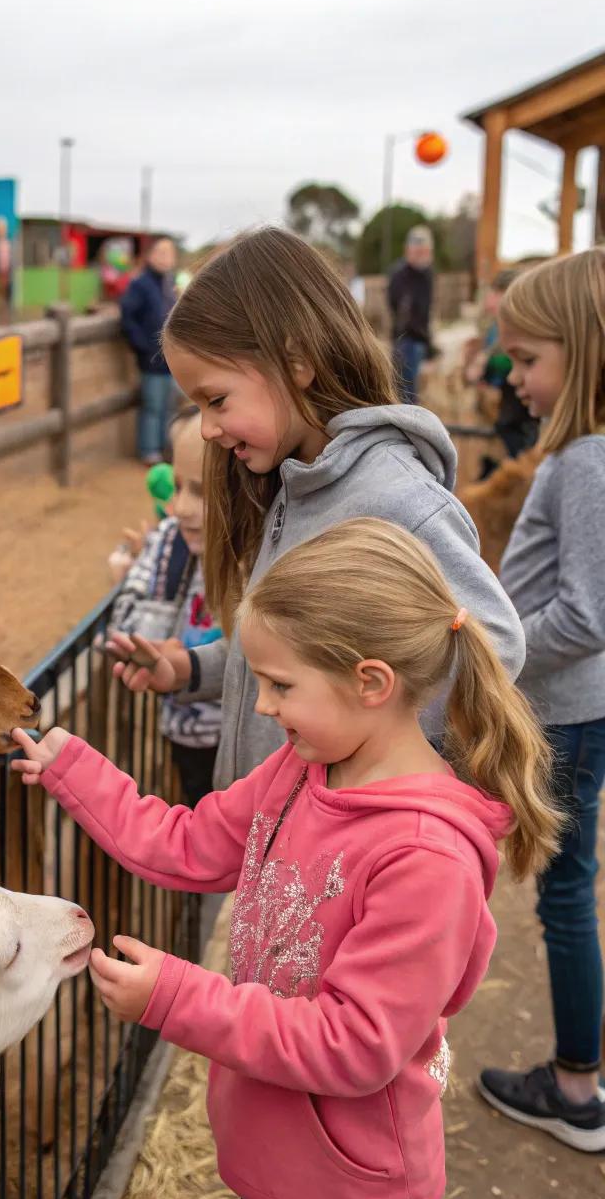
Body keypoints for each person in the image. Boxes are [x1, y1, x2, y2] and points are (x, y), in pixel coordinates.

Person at [13, 518, 562, 1199]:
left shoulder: (425, 856)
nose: (263, 708)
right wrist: (72, 769)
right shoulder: (302, 770)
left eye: (279, 685)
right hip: (271, 1150)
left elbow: (353, 1042)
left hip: (358, 1187)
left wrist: (174, 997)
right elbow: (190, 843)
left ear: (371, 682)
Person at [106, 227, 525, 797]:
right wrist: (192, 669)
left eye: (217, 400)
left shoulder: (396, 499)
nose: (206, 428)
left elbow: (494, 643)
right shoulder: (291, 483)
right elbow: (303, 645)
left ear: (297, 362)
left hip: (335, 842)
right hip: (278, 833)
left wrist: (377, 768)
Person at [478, 247, 605, 1151]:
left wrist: (491, 654)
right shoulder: (573, 458)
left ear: (583, 350)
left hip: (560, 712)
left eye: (527, 359)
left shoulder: (585, 463)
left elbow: (587, 613)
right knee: (565, 887)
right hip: (565, 706)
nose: (513, 377)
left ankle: (574, 1088)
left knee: (562, 896)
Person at [109, 406, 222, 806]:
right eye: (177, 487)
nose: (183, 508)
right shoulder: (169, 542)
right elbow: (123, 625)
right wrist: (154, 651)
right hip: (185, 734)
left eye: (203, 492)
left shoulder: (265, 558)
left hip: (242, 742)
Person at [465, 268, 539, 461]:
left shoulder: (520, 324)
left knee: (513, 428)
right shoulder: (497, 325)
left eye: (495, 293)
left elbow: (510, 360)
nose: (489, 300)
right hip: (511, 397)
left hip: (522, 402)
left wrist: (485, 367)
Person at [120, 236, 178, 464]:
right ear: (150, 255)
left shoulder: (168, 283)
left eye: (170, 253)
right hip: (151, 359)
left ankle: (165, 448)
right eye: (161, 252)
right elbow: (128, 317)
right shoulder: (140, 284)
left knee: (169, 406)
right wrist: (142, 347)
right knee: (153, 406)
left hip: (170, 360)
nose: (166, 258)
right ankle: (149, 451)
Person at [389, 225, 435, 404]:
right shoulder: (401, 275)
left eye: (425, 251)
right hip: (406, 338)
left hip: (419, 339)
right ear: (409, 250)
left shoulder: (427, 274)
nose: (422, 255)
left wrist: (428, 342)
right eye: (418, 251)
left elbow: (425, 311)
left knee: (411, 387)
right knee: (406, 392)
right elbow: (401, 310)